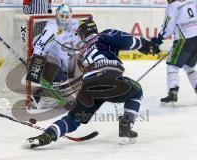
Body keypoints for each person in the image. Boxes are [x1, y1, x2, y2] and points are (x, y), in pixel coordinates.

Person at [24, 19, 160, 148]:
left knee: (73, 119)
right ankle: (127, 125)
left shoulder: (82, 53)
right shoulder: (104, 35)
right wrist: (146, 45)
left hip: (89, 87)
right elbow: (127, 41)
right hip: (110, 80)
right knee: (137, 91)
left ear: (83, 33)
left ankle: (48, 134)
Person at [26, 4, 84, 109]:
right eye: (62, 16)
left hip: (65, 65)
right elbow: (39, 46)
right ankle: (42, 97)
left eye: (67, 16)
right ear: (57, 15)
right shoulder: (52, 28)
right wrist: (35, 63)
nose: (64, 19)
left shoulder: (74, 26)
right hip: (50, 64)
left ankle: (59, 91)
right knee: (54, 63)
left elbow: (81, 42)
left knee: (75, 59)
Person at [151, 0, 197, 105]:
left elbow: (168, 28)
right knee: (188, 67)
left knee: (172, 66)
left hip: (184, 39)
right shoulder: (192, 1)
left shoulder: (172, 6)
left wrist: (158, 41)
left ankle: (172, 92)